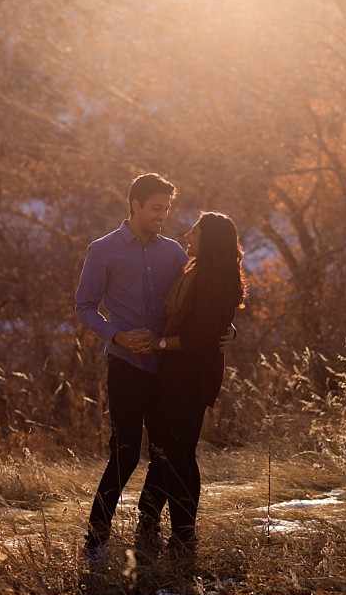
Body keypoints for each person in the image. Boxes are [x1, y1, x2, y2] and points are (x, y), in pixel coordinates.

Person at [74, 174, 235, 561]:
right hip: (127, 365)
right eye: (156, 208)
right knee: (125, 453)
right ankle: (96, 538)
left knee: (166, 452)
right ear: (135, 205)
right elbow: (84, 306)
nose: (163, 216)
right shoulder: (103, 250)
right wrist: (118, 336)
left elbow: (204, 300)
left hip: (169, 370)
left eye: (167, 208)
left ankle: (148, 527)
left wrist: (228, 328)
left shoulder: (174, 254)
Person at [145, 212, 247, 557]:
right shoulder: (202, 273)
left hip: (188, 376)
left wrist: (157, 344)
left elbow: (197, 337)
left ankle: (183, 537)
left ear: (209, 239)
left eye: (196, 231)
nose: (188, 234)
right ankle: (158, 527)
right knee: (176, 453)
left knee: (176, 455)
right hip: (186, 374)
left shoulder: (209, 280)